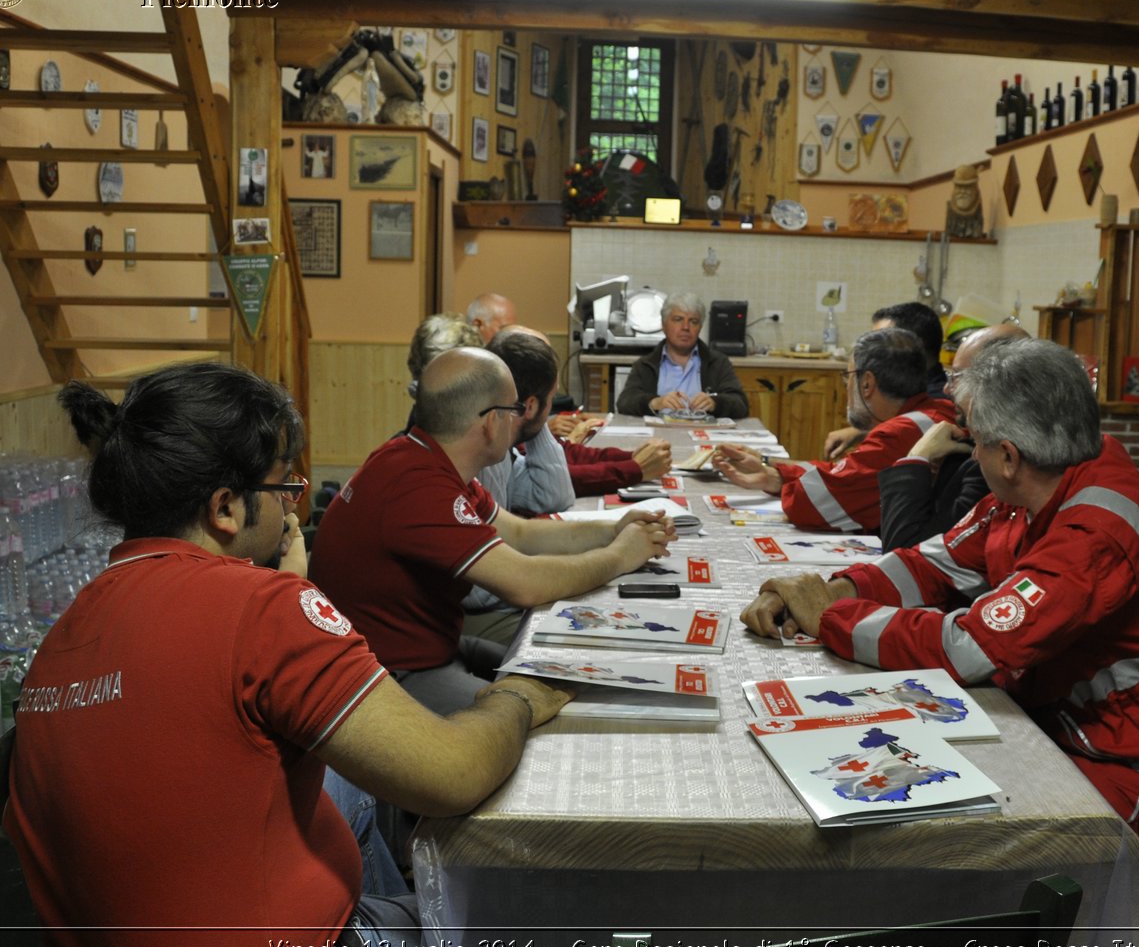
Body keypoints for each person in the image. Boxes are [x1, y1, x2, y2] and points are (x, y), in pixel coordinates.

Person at [6, 363, 572, 947]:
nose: (291, 511)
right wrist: (518, 697)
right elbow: (453, 774)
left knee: (348, 785)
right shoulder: (260, 609)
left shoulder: (69, 627)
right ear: (225, 508)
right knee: (537, 926)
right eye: (284, 489)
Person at [738, 338, 1139, 859]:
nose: (968, 446)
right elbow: (931, 563)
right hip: (1068, 731)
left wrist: (829, 615)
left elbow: (968, 648)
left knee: (926, 833)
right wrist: (826, 591)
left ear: (1008, 457)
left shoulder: (1094, 531)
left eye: (975, 438)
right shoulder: (1040, 482)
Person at [309, 347, 675, 715]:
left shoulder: (420, 458)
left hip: (429, 647)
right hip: (385, 677)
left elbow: (520, 534)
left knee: (575, 681)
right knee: (545, 721)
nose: (520, 420)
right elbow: (525, 583)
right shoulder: (419, 486)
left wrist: (615, 530)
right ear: (491, 421)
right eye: (515, 410)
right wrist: (620, 556)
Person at [711, 327, 956, 533]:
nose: (847, 386)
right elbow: (845, 473)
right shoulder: (938, 411)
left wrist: (782, 483)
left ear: (867, 383)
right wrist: (774, 475)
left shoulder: (898, 433)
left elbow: (814, 503)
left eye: (847, 376)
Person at [878, 321, 1030, 549]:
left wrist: (916, 459)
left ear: (997, 381)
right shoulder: (967, 443)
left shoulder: (993, 461)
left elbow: (908, 550)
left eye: (957, 376)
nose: (948, 389)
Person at [822, 301, 948, 459]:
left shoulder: (934, 407)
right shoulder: (918, 396)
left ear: (910, 345)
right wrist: (861, 432)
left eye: (880, 341)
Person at [477, 326, 575, 516]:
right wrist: (533, 415)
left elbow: (552, 498)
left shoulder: (503, 448)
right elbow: (491, 537)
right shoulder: (485, 451)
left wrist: (531, 418)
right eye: (551, 397)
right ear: (531, 405)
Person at [615, 293, 749, 418]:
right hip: (658, 435)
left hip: (704, 436)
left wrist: (715, 403)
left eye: (693, 321)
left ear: (700, 327)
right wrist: (654, 403)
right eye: (678, 319)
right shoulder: (645, 364)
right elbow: (625, 402)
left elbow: (741, 404)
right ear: (663, 325)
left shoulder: (718, 362)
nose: (686, 327)